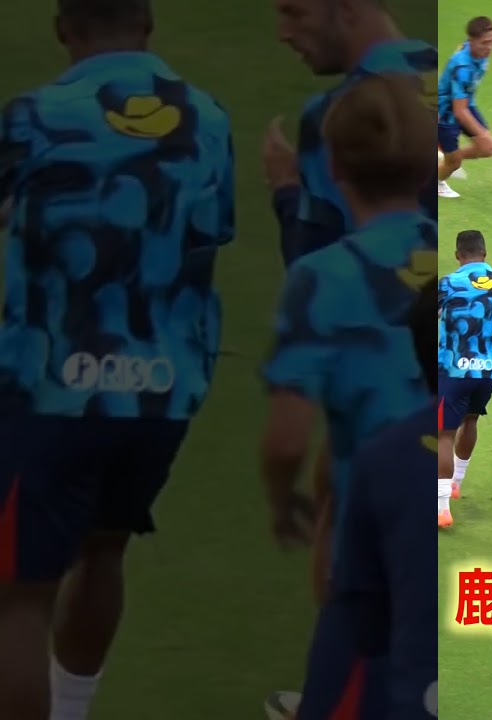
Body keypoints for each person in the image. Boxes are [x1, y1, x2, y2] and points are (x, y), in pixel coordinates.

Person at [0, 1, 235, 718]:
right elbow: (208, 238)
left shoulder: (33, 116)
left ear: (63, 28)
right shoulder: (209, 119)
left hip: (50, 388)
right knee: (105, 551)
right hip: (163, 387)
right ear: (148, 25)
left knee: (20, 595)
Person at [259, 73, 436, 720]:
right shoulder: (461, 262)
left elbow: (286, 439)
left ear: (333, 167)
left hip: (372, 555)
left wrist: (284, 501)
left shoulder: (322, 276)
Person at [265, 0, 437, 266]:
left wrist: (286, 189)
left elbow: (314, 265)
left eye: (295, 13)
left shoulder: (335, 117)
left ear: (347, 8)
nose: (283, 33)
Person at [437, 230, 492, 528]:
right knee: (471, 420)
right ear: (485, 253)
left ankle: (441, 507)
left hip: (455, 368)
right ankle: (456, 482)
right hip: (489, 369)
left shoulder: (449, 283)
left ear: (458, 255)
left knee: (443, 433)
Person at [437, 16, 492, 199]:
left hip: (465, 103)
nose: (489, 48)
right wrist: (484, 135)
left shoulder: (477, 53)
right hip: (445, 113)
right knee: (454, 163)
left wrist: (485, 139)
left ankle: (445, 157)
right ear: (471, 40)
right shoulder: (463, 68)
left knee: (486, 148)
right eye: (484, 43)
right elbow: (460, 112)